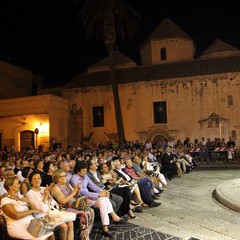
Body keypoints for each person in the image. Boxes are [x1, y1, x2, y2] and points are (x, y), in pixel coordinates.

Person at [70, 161, 127, 238]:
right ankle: (110, 220)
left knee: (104, 199)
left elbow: (93, 186)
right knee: (103, 199)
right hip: (80, 199)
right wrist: (98, 194)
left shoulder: (85, 176)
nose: (85, 172)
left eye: (85, 170)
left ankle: (106, 226)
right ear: (78, 171)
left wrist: (102, 191)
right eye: (83, 171)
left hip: (88, 197)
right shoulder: (74, 179)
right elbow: (82, 193)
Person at [26, 170, 74, 240]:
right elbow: (40, 209)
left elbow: (52, 203)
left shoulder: (43, 189)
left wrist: (50, 196)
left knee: (70, 222)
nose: (37, 180)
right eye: (34, 179)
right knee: (64, 226)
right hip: (42, 217)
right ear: (31, 181)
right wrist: (45, 196)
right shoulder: (30, 193)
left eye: (38, 178)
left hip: (51, 213)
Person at [51, 169, 95, 240]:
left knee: (91, 211)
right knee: (84, 214)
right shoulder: (56, 188)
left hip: (74, 205)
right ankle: (83, 237)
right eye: (64, 176)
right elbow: (63, 201)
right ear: (58, 179)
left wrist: (77, 190)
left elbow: (75, 197)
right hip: (64, 208)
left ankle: (85, 235)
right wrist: (74, 192)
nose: (66, 177)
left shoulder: (67, 185)